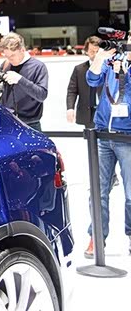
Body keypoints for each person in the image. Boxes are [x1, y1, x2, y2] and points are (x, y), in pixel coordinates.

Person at [84, 43, 131, 258]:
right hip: (103, 134)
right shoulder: (113, 61)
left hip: (127, 136)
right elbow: (92, 79)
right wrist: (99, 58)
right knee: (98, 190)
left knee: (130, 194)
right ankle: (96, 236)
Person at [0, 32, 48, 131]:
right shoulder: (6, 64)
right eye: (7, 56)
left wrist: (20, 80)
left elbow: (42, 95)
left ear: (22, 50)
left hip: (30, 124)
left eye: (12, 55)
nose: (10, 59)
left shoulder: (38, 67)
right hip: (7, 121)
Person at [67, 36, 102, 128]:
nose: (95, 54)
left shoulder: (109, 68)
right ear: (86, 51)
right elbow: (72, 91)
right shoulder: (79, 69)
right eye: (92, 51)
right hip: (87, 112)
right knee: (90, 136)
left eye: (97, 51)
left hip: (105, 111)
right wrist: (70, 108)